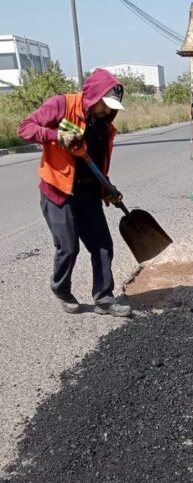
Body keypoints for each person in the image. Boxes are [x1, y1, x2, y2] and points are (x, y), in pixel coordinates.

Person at [18, 69, 131, 317]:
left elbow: (97, 161)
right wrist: (56, 135)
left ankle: (103, 297)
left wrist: (107, 188)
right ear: (94, 95)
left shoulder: (103, 124)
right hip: (58, 189)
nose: (106, 111)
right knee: (68, 247)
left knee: (102, 245)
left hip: (89, 191)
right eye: (104, 104)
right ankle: (61, 289)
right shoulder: (61, 104)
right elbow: (24, 128)